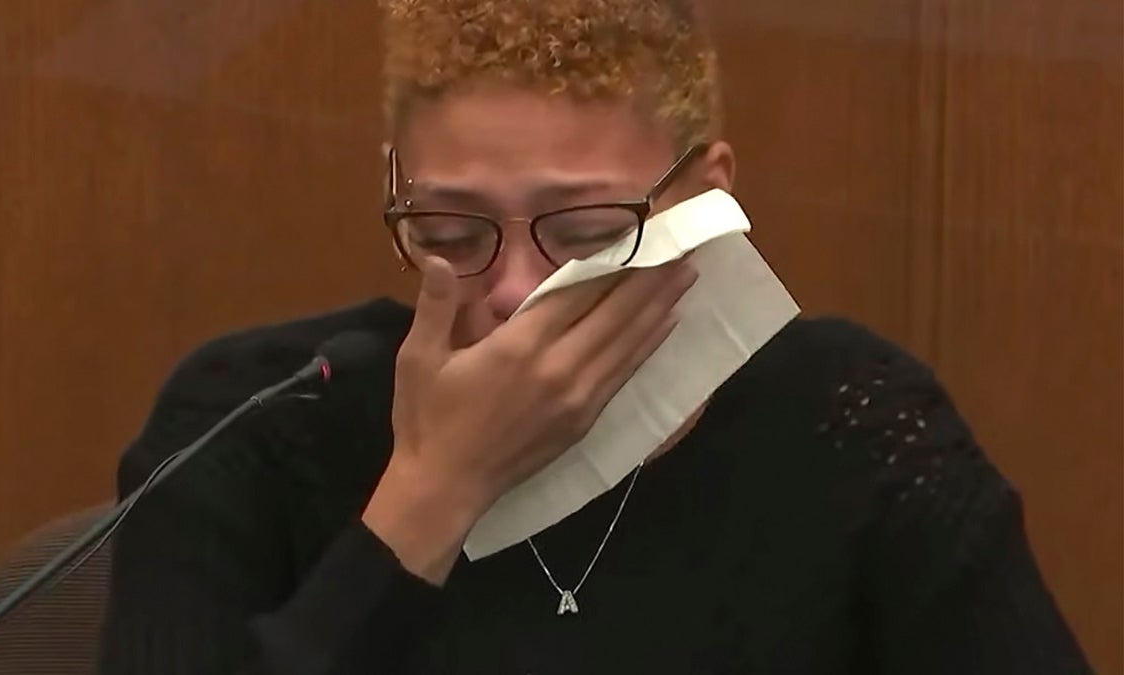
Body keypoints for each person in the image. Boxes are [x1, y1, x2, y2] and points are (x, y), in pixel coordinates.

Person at [98, 0, 1091, 673]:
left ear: (706, 195)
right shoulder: (256, 416)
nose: (519, 291)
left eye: (586, 235)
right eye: (453, 233)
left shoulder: (851, 425)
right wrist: (429, 498)